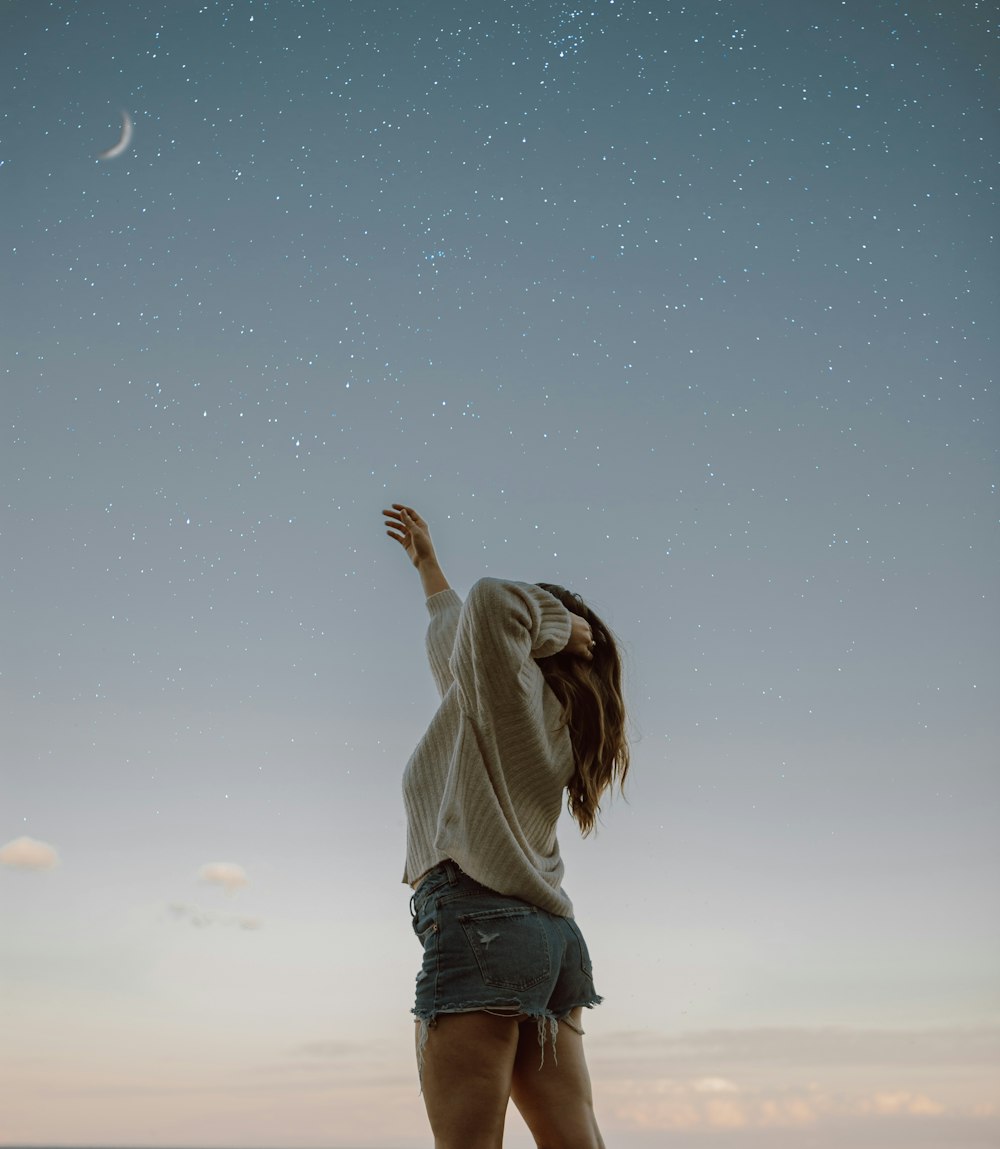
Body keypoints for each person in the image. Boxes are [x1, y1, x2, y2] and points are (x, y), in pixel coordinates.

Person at [383, 503, 629, 1149]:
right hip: (550, 939)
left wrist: (560, 623)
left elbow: (492, 604)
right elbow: (457, 646)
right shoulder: (524, 713)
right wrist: (429, 569)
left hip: (481, 925)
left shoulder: (517, 697)